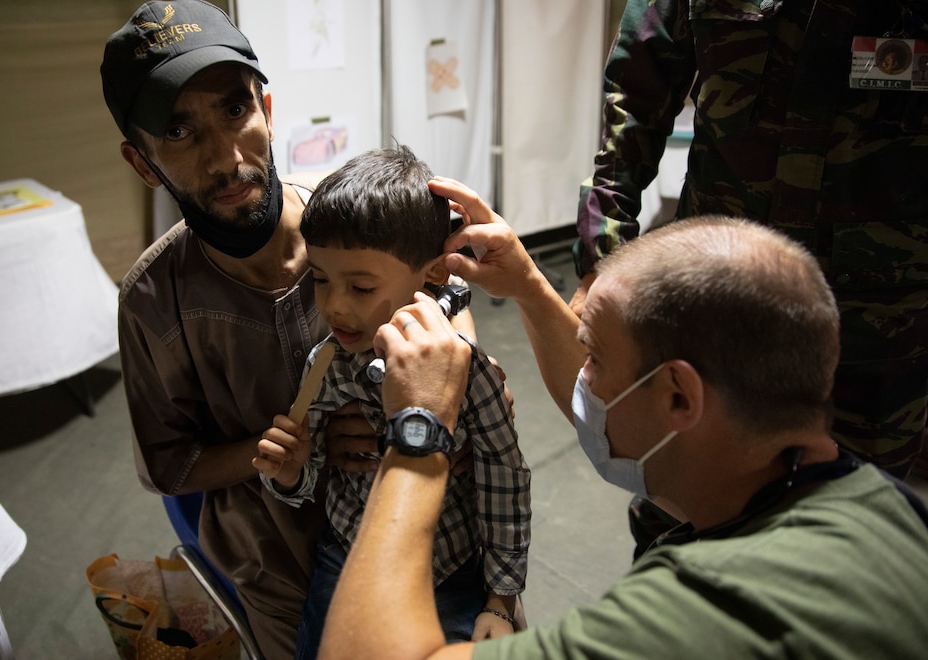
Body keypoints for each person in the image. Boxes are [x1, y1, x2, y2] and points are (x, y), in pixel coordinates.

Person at [319, 178, 928, 659]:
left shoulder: (687, 619)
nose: (581, 380)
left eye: (596, 359)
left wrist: (418, 429)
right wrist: (530, 286)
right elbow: (607, 413)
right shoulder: (883, 509)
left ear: (680, 399)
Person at [99, 0, 478, 657]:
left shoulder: (357, 220)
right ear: (142, 162)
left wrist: (436, 390)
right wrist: (291, 447)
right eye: (182, 133)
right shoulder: (153, 302)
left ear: (267, 113)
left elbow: (449, 295)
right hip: (277, 560)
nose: (226, 158)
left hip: (414, 507)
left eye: (235, 111)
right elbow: (170, 464)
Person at [572, 0, 928, 479]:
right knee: (684, 498)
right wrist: (602, 254)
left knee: (854, 515)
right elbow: (637, 86)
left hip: (879, 322)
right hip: (713, 297)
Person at [253, 146, 531, 658]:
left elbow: (504, 475)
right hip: (347, 555)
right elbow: (309, 472)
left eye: (360, 286)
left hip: (451, 568)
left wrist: (500, 596)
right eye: (319, 279)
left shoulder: (469, 370)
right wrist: (291, 471)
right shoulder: (327, 364)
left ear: (430, 275)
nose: (334, 305)